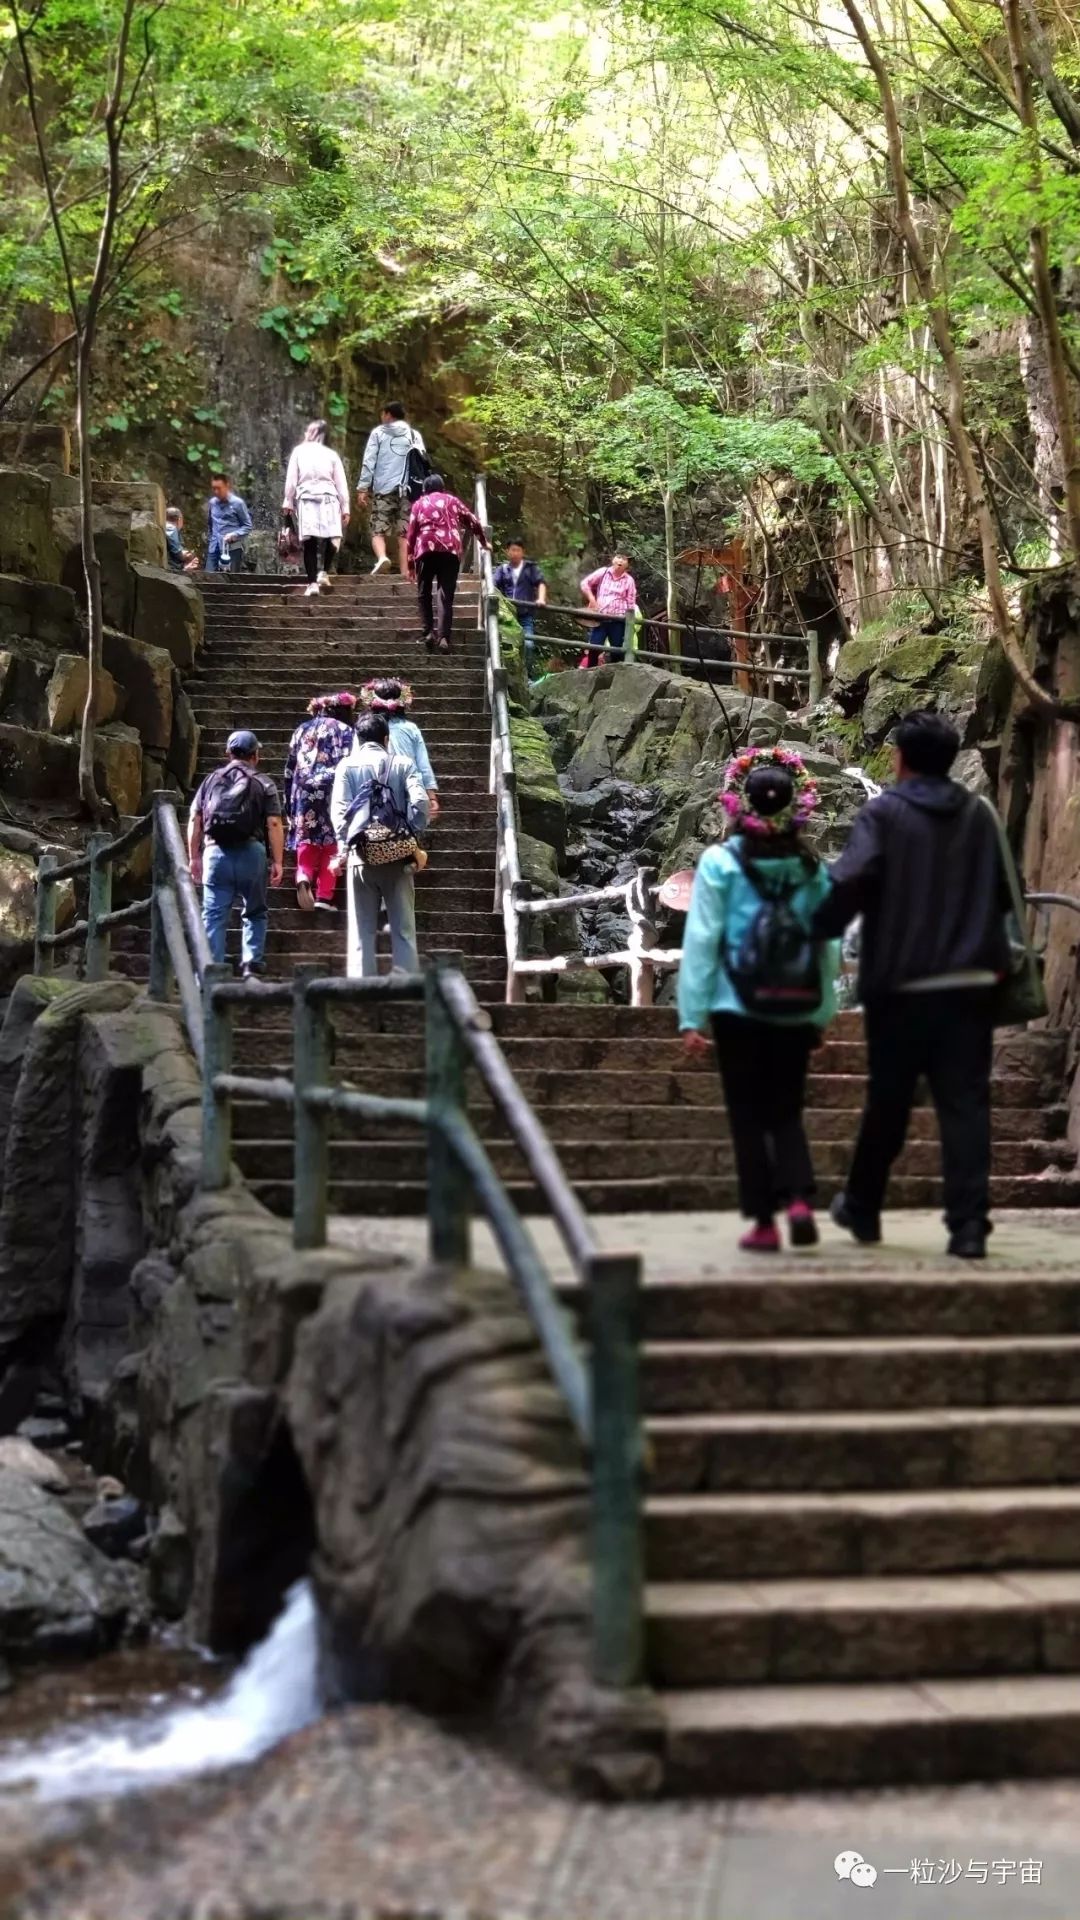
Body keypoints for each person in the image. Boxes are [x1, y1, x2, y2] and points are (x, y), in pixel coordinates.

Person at [812, 708, 1011, 1261]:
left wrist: (818, 927)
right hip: (971, 981)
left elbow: (850, 880)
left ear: (899, 758)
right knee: (966, 1104)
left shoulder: (884, 813)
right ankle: (969, 1228)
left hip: (902, 985)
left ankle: (863, 1205)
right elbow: (999, 889)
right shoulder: (977, 814)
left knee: (890, 1100)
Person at [678, 747, 840, 1253]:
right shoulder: (813, 869)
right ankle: (797, 1200)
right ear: (796, 804)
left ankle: (766, 1224)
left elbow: (703, 939)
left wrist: (691, 1015)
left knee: (747, 1114)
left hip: (735, 1005)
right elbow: (826, 946)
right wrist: (822, 1013)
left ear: (740, 802)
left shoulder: (720, 863)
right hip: (794, 1004)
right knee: (786, 1108)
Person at [330, 711, 430, 976]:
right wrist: (410, 834)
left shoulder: (345, 766)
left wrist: (350, 843)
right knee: (404, 930)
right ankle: (405, 992)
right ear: (386, 739)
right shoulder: (403, 764)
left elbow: (339, 815)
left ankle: (362, 999)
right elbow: (421, 803)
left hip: (360, 859)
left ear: (358, 739)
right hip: (398, 858)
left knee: (361, 933)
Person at [188, 729, 284, 978]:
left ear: (228, 753)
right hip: (252, 853)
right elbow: (274, 823)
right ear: (256, 755)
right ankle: (251, 967)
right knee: (254, 912)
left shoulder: (210, 780)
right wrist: (278, 861)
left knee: (213, 914)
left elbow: (195, 819)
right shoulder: (264, 782)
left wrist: (194, 857)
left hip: (215, 853)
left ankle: (209, 973)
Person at [283, 692, 357, 914]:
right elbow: (351, 764)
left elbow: (289, 768)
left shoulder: (301, 730)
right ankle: (324, 895)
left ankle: (303, 874)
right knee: (332, 839)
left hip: (303, 790)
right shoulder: (346, 731)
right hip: (334, 791)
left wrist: (289, 801)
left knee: (306, 835)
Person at [405, 473, 489, 653]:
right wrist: (483, 542)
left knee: (424, 592)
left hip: (425, 549)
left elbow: (411, 535)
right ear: (442, 488)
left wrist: (410, 564)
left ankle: (428, 632)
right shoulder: (452, 500)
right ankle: (443, 637)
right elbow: (473, 521)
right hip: (449, 549)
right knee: (445, 594)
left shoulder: (419, 504)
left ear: (425, 490)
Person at [356, 400, 427, 576]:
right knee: (405, 533)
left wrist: (363, 488)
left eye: (383, 414)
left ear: (388, 414)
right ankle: (405, 573)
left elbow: (369, 461)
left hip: (384, 489)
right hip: (409, 491)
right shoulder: (414, 435)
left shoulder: (378, 433)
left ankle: (382, 557)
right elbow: (423, 462)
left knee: (378, 529)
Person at [282, 420, 351, 599]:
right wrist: (345, 506)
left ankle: (312, 583)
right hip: (329, 498)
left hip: (307, 499)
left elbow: (292, 479)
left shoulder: (299, 451)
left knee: (309, 541)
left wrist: (288, 500)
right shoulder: (331, 455)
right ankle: (324, 572)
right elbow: (341, 482)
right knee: (332, 536)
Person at [361, 679, 440, 819]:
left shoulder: (364, 728)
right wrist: (431, 796)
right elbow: (423, 764)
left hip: (372, 792)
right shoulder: (410, 728)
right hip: (407, 790)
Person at [493, 538, 547, 667]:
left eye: (518, 550)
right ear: (507, 552)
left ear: (523, 552)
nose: (515, 553)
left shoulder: (530, 568)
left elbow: (541, 583)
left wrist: (541, 598)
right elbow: (493, 585)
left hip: (525, 615)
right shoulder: (503, 569)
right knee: (506, 647)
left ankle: (526, 676)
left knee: (528, 645)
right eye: (512, 550)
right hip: (507, 616)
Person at [580, 552, 637, 664]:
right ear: (613, 559)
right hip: (600, 617)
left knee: (617, 650)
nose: (620, 561)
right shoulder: (603, 572)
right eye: (619, 557)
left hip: (618, 619)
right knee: (594, 648)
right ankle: (590, 673)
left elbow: (631, 601)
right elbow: (584, 583)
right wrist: (592, 599)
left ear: (627, 564)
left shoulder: (629, 580)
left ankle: (615, 675)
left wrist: (629, 622)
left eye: (624, 559)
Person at [205, 474, 252, 575]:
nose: (216, 492)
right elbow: (210, 523)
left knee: (231, 579)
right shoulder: (212, 502)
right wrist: (210, 538)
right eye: (214, 488)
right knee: (208, 576)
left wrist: (234, 534)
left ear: (227, 486)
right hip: (214, 547)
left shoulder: (238, 503)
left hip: (232, 548)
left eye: (219, 488)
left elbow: (248, 526)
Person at [165, 507, 197, 573]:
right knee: (192, 558)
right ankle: (183, 572)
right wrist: (188, 556)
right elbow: (176, 552)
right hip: (171, 564)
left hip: (170, 558)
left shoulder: (169, 526)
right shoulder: (171, 529)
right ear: (179, 519)